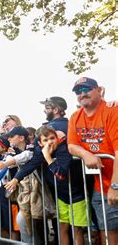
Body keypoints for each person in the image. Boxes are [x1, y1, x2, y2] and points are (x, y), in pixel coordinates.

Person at [67, 77, 118, 244]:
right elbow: (72, 145)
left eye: (87, 89)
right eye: (78, 91)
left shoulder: (112, 110)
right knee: (107, 235)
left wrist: (115, 186)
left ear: (98, 89)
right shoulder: (75, 116)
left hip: (114, 184)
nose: (82, 94)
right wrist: (85, 154)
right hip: (101, 187)